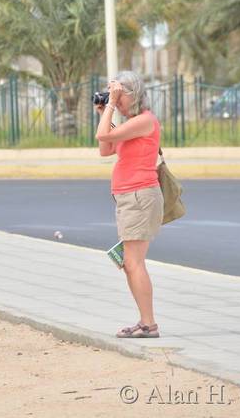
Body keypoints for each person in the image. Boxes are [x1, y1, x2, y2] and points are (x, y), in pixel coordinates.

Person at [95, 70, 163, 339]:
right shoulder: (132, 123)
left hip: (139, 197)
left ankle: (149, 324)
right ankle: (145, 321)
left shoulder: (145, 121)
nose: (117, 101)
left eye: (120, 96)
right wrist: (104, 112)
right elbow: (105, 149)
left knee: (134, 263)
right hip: (129, 198)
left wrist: (110, 105)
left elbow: (102, 137)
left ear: (132, 96)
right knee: (129, 263)